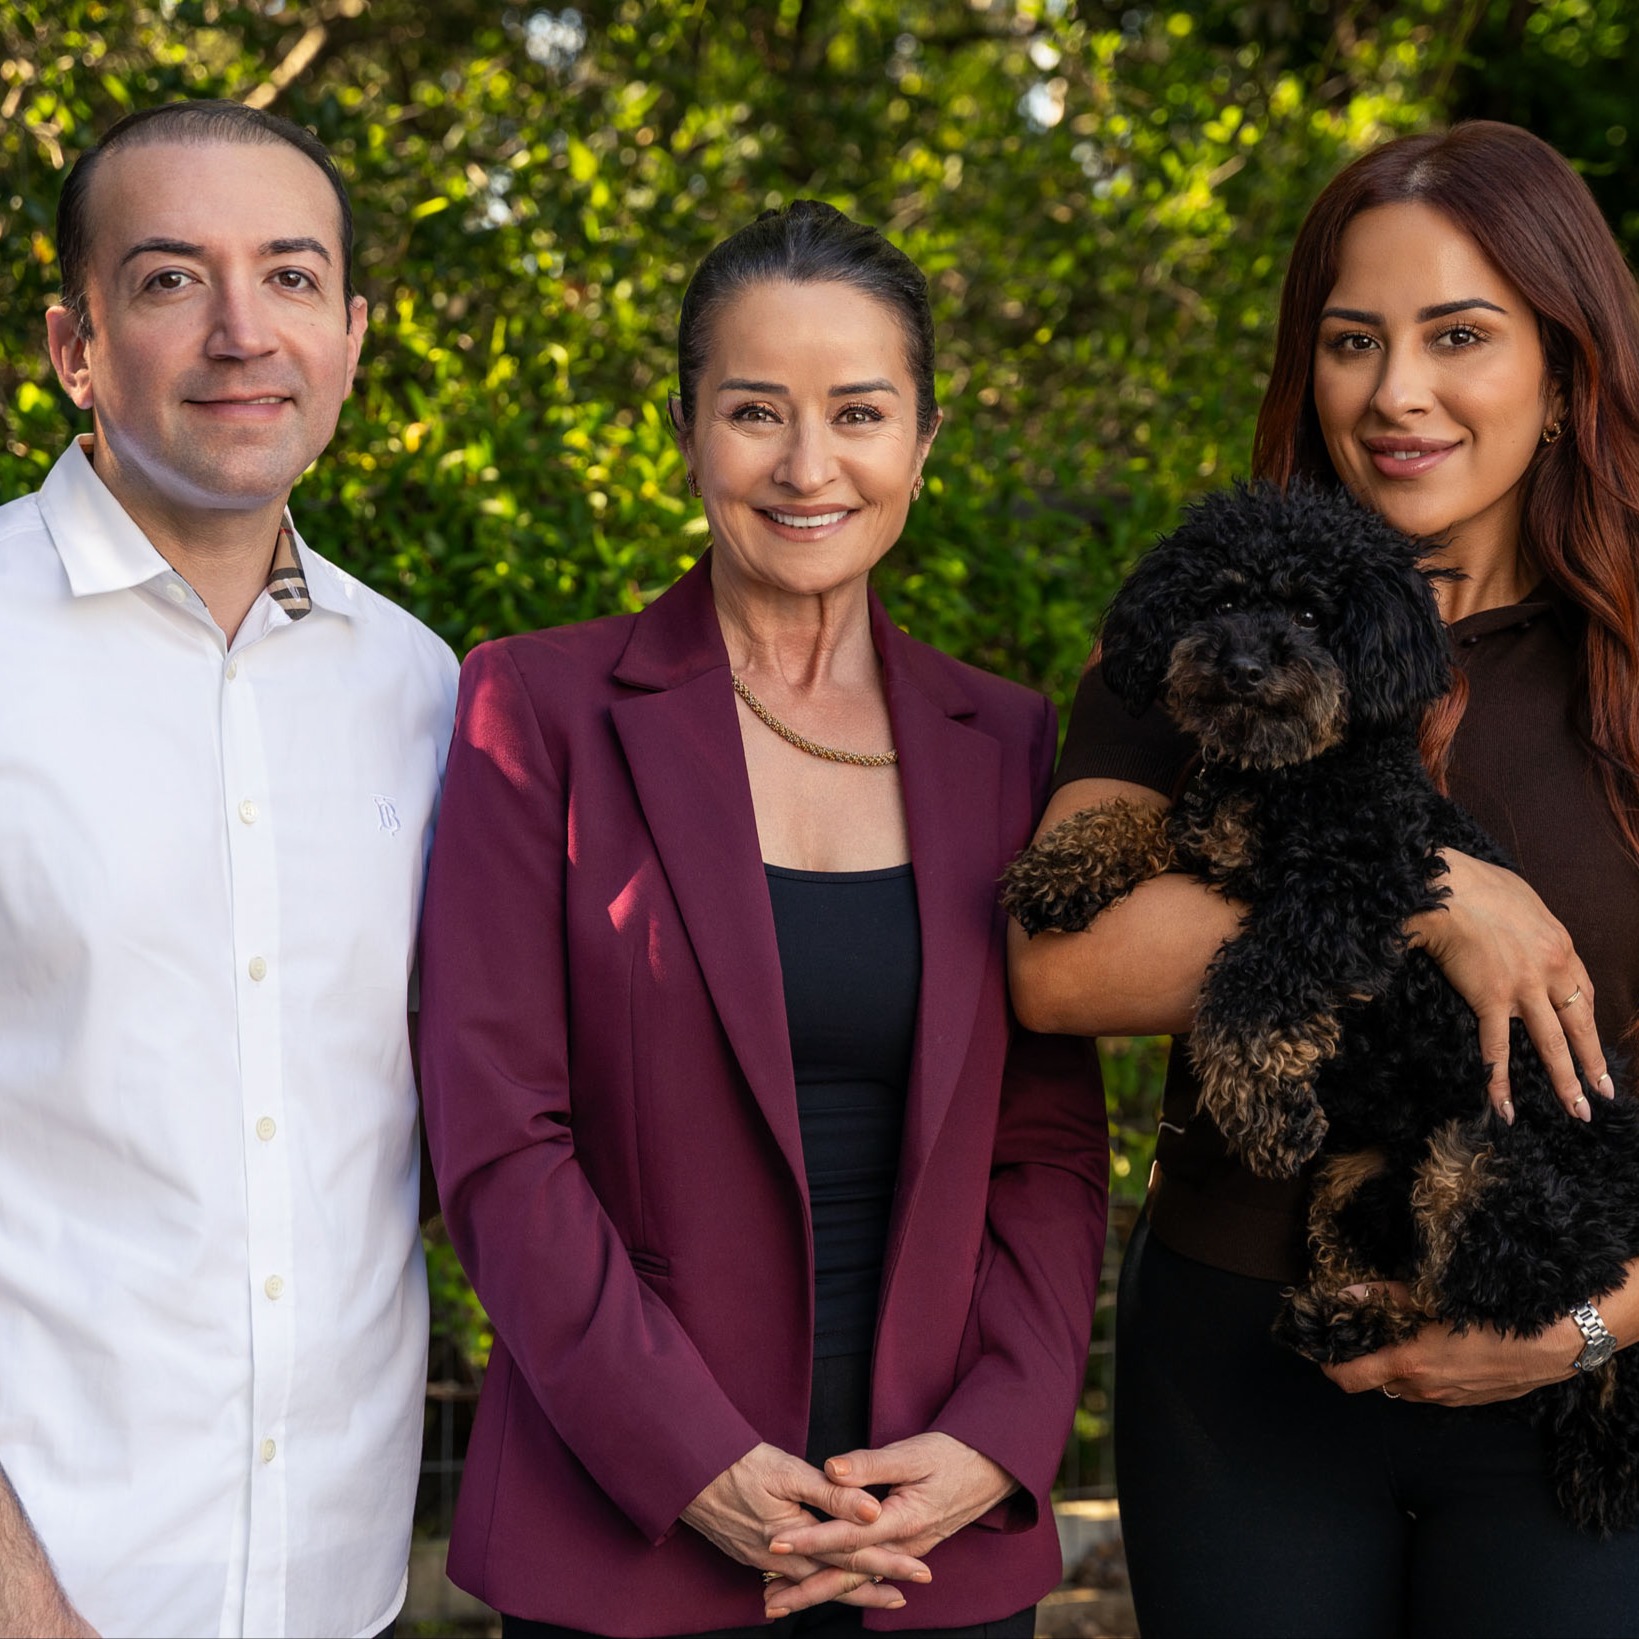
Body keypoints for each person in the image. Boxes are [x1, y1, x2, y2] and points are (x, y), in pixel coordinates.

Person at [418, 199, 1108, 1638]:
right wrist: (695, 1464)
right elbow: (496, 1136)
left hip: (932, 1536)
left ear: (923, 439)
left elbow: (1043, 1147)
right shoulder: (535, 708)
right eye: (755, 412)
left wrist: (996, 1439)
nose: (808, 466)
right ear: (686, 432)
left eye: (859, 412)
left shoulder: (1015, 742)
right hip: (633, 1534)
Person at [1009, 120, 1639, 1638]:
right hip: (1243, 1376)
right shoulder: (1221, 615)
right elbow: (1064, 961)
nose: (1395, 392)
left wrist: (1584, 1330)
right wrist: (1430, 888)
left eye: (1460, 337)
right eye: (1354, 340)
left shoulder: (1622, 661)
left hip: (1574, 1351)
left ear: (1563, 369)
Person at [0, 102, 458, 1638]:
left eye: (292, 277)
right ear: (76, 342)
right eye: (172, 280)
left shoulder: (424, 689)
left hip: (334, 1588)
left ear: (352, 333)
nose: (243, 332)